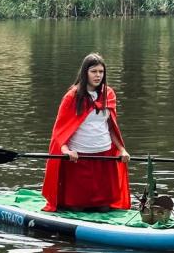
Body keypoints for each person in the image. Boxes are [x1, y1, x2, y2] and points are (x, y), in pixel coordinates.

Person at [41, 53, 131, 212]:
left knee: (104, 208)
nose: (98, 75)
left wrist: (122, 150)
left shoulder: (109, 94)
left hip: (104, 159)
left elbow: (111, 127)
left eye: (101, 72)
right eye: (93, 71)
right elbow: (60, 131)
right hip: (79, 159)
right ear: (85, 73)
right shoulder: (72, 96)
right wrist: (66, 150)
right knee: (76, 208)